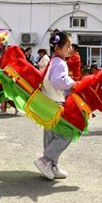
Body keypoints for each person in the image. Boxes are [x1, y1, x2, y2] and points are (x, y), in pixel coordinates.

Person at [34, 30, 75, 180]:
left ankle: (51, 165)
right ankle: (46, 160)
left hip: (47, 103)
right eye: (68, 45)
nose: (70, 48)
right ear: (57, 48)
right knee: (67, 133)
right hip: (55, 104)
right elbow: (57, 82)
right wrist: (72, 83)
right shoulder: (60, 63)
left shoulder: (52, 61)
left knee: (50, 137)